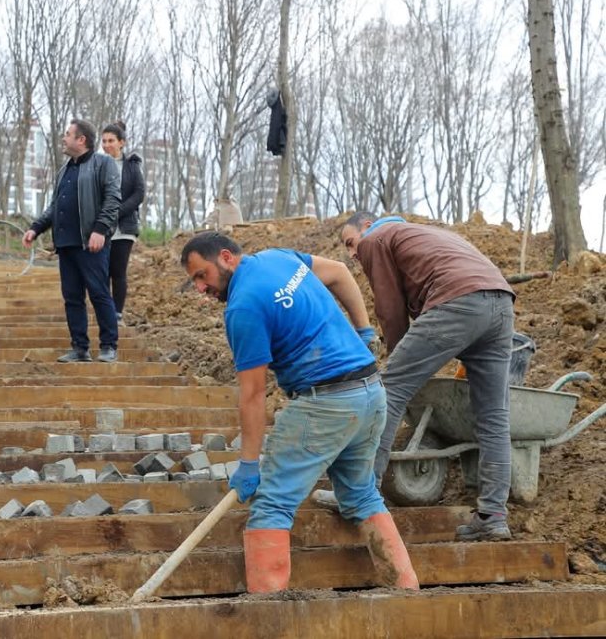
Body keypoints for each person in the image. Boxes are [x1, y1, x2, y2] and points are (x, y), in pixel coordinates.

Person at [181, 232, 419, 593]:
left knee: (273, 504)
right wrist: (364, 329)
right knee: (361, 495)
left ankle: (268, 616)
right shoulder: (278, 257)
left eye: (202, 276)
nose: (201, 288)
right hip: (371, 394)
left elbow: (254, 393)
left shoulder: (243, 306)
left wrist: (248, 464)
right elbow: (340, 272)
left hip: (325, 402)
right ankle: (407, 593)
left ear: (227, 257)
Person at [340, 212, 515, 541]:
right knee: (494, 416)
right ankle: (492, 516)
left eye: (351, 242)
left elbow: (390, 311)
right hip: (501, 303)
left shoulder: (377, 238)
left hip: (459, 300)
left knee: (388, 392)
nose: (353, 253)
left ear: (366, 227)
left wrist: (397, 359)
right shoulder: (428, 235)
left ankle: (359, 497)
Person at [22, 119, 121, 363]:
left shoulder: (103, 164)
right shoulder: (64, 169)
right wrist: (36, 228)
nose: (64, 138)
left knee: (99, 293)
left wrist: (99, 229)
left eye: (68, 134)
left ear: (81, 140)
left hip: (91, 243)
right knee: (72, 297)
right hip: (66, 244)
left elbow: (112, 199)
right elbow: (56, 206)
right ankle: (80, 347)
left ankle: (109, 345)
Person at [100, 121, 145, 325]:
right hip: (101, 228)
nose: (107, 145)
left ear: (121, 143)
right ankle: (104, 312)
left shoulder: (132, 165)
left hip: (124, 226)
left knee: (118, 271)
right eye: (104, 141)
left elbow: (139, 193)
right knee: (101, 271)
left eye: (111, 141)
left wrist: (117, 212)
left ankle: (117, 314)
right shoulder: (97, 165)